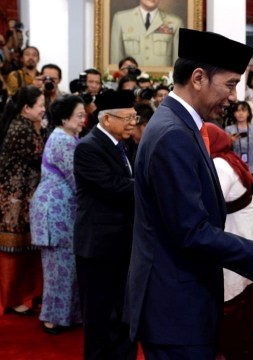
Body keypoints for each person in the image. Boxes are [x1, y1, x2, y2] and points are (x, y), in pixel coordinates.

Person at [125, 28, 253, 359]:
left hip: (182, 297)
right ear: (197, 78)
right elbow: (191, 231)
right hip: (176, 305)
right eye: (231, 84)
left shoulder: (179, 125)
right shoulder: (173, 135)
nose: (234, 96)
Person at [73, 90, 138, 360]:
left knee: (122, 314)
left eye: (135, 117)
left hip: (122, 245)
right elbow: (113, 187)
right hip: (98, 248)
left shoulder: (123, 144)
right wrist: (151, 185)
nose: (133, 123)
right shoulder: (88, 147)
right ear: (107, 119)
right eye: (128, 118)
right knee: (99, 319)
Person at [204, 122, 253, 360]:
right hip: (245, 235)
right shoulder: (228, 157)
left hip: (238, 238)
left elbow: (208, 206)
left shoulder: (219, 164)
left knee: (234, 307)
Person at [29, 95, 85, 334]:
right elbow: (76, 179)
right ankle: (52, 319)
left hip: (64, 209)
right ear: (64, 118)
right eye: (79, 115)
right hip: (55, 209)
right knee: (58, 267)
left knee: (68, 264)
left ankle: (68, 316)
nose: (83, 119)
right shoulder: (62, 139)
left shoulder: (71, 136)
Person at [0, 86, 46, 316]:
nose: (43, 110)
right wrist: (43, 129)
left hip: (22, 197)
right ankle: (12, 299)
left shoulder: (25, 125)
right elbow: (41, 153)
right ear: (26, 108)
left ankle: (24, 296)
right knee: (13, 249)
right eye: (40, 106)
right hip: (14, 201)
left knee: (24, 249)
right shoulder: (22, 128)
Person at [110, 0, 184, 67]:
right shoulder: (121, 19)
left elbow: (178, 64)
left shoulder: (175, 23)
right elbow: (116, 61)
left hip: (163, 80)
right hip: (131, 80)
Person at [224, 101, 253, 199]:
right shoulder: (229, 129)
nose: (241, 113)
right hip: (236, 168)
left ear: (248, 113)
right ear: (234, 114)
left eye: (244, 110)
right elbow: (225, 150)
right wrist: (231, 141)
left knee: (252, 196)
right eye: (238, 111)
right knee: (237, 196)